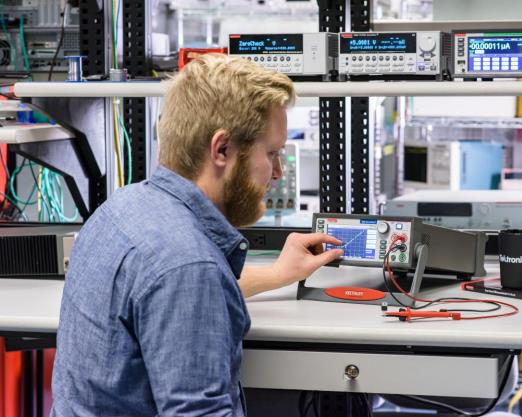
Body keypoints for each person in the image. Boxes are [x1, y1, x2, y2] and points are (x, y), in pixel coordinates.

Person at [51, 54, 343, 417]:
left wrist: (279, 275)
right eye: (272, 153)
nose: (279, 172)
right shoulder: (187, 264)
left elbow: (165, 297)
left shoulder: (121, 209)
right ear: (221, 150)